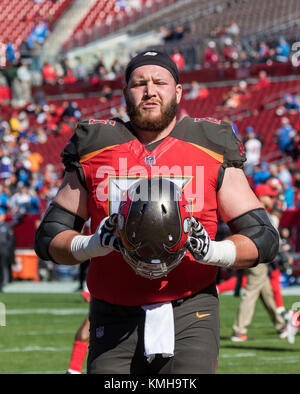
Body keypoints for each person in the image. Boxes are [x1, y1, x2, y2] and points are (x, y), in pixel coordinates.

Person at [34, 50, 279, 374]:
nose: (150, 90)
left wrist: (213, 251)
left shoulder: (209, 143)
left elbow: (263, 238)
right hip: (113, 312)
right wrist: (94, 243)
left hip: (191, 310)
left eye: (159, 82)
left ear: (177, 91)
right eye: (140, 83)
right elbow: (49, 236)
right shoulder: (97, 144)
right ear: (126, 91)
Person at [231, 183, 287, 341]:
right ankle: (239, 330)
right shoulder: (259, 213)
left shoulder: (248, 211)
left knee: (266, 291)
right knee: (251, 293)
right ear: (261, 197)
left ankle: (280, 324)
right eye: (269, 196)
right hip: (257, 258)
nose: (272, 199)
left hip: (252, 255)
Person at [0, 208, 15, 291]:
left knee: (4, 267)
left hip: (3, 251)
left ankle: (4, 282)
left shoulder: (6, 226)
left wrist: (7, 249)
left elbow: (11, 240)